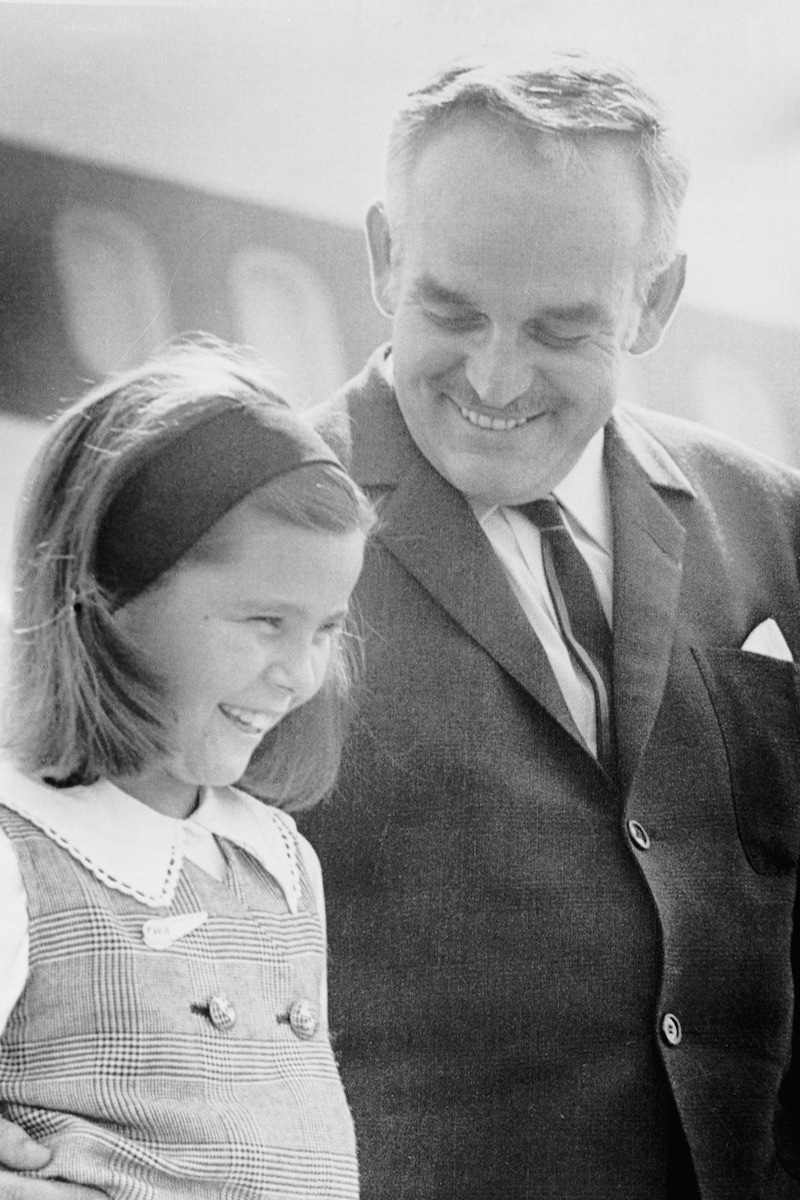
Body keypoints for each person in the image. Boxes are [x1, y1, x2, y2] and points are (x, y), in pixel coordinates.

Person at [2, 51, 800, 1200]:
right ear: (383, 257)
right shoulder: (236, 535)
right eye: (452, 310)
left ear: (655, 300)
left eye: (560, 331)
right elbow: (55, 858)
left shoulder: (770, 525)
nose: (493, 374)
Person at [0, 336, 373, 1199]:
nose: (301, 673)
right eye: (263, 621)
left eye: (324, 629)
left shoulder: (277, 860)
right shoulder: (24, 854)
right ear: (107, 596)